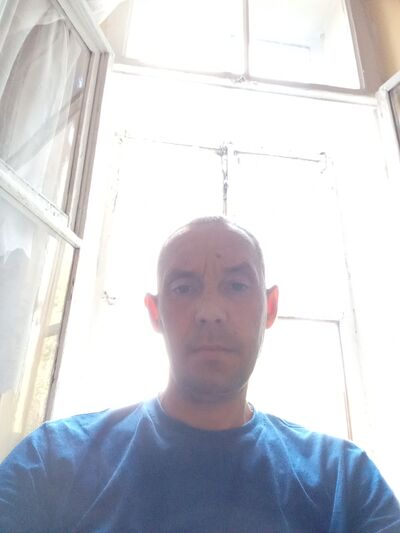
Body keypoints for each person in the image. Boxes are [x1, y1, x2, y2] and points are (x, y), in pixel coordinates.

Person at [0, 216, 399, 532]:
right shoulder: (50, 461)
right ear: (155, 313)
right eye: (183, 288)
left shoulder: (345, 481)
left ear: (270, 307)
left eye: (237, 286)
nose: (210, 311)